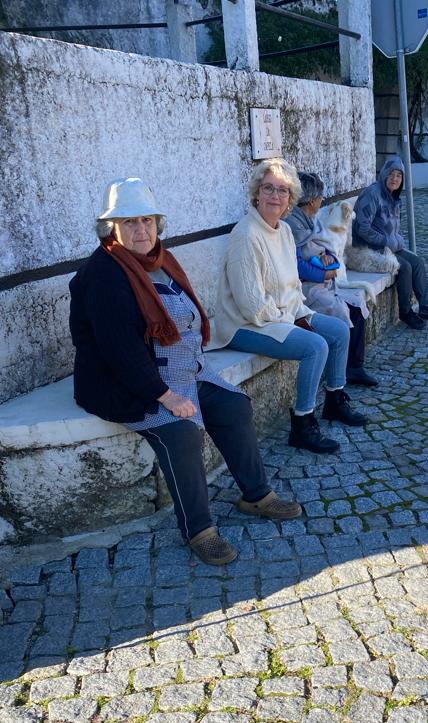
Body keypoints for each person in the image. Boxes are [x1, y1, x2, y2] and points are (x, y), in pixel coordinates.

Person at [69, 177, 301, 567]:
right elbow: (120, 352)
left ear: (158, 224)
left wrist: (192, 373)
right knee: (181, 433)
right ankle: (199, 530)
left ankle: (256, 494)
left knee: (233, 406)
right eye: (129, 223)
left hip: (182, 371)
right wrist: (166, 396)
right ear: (112, 229)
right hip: (131, 383)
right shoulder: (105, 275)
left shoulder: (160, 260)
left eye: (147, 220)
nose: (141, 230)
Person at [216, 158, 367, 455]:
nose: (275, 196)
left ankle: (335, 401)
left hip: (280, 316)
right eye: (268, 188)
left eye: (282, 191)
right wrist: (291, 321)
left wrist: (300, 313)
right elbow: (251, 305)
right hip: (244, 325)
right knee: (315, 346)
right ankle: (302, 423)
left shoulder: (283, 231)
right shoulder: (246, 235)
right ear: (256, 194)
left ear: (290, 199)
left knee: (338, 329)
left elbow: (293, 286)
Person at [285, 171, 378, 389]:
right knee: (339, 313)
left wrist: (328, 257)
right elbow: (296, 265)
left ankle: (354, 367)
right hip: (307, 289)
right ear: (311, 200)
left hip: (326, 284)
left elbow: (326, 247)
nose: (322, 201)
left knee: (356, 305)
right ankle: (339, 375)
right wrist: (323, 273)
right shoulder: (293, 225)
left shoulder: (311, 222)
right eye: (320, 198)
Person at [352, 155, 428, 331]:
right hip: (366, 248)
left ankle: (425, 306)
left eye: (399, 176)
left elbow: (393, 229)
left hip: (387, 246)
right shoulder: (373, 194)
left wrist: (395, 240)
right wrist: (387, 241)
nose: (395, 179)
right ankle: (405, 311)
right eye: (392, 174)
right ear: (384, 175)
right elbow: (361, 228)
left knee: (417, 262)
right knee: (404, 266)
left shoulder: (394, 198)